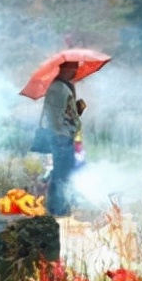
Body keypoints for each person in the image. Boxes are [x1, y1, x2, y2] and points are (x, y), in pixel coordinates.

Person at [42, 62, 85, 217]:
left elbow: (67, 113)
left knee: (62, 174)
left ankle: (59, 208)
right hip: (61, 137)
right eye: (74, 68)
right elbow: (61, 117)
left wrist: (75, 107)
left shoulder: (62, 87)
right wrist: (74, 110)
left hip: (62, 136)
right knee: (62, 175)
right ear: (66, 69)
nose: (76, 72)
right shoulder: (59, 88)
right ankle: (58, 211)